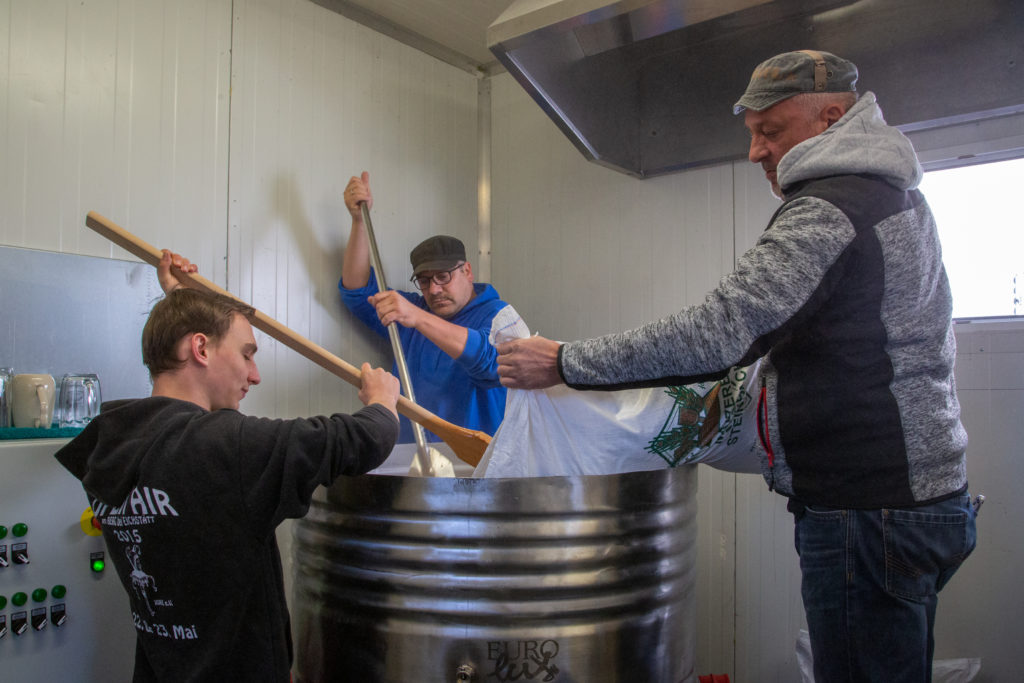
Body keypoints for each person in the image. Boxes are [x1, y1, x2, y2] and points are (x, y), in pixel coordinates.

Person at [496, 50, 977, 683]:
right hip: (911, 502)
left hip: (870, 512)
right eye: (751, 135)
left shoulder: (833, 208)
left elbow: (721, 330)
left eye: (770, 132)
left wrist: (566, 361)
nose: (756, 153)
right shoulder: (892, 198)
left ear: (831, 116)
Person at [55, 250, 401, 682]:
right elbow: (363, 439)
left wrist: (180, 302)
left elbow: (193, 530)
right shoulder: (226, 446)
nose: (254, 375)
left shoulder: (106, 445)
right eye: (247, 354)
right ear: (199, 346)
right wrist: (383, 402)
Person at [339, 171, 528, 443]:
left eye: (443, 277)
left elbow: (492, 363)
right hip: (410, 461)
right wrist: (358, 221)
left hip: (474, 468)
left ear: (468, 271)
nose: (434, 289)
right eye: (425, 281)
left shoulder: (499, 314)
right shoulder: (411, 312)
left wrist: (416, 317)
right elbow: (357, 291)